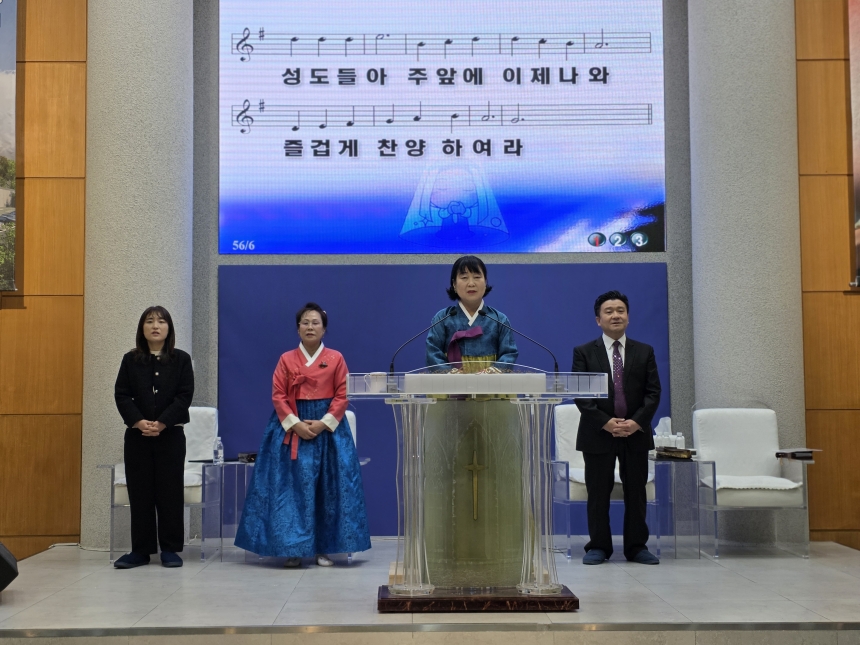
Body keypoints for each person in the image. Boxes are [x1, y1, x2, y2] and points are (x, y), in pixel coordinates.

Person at [235, 302, 371, 567]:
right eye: (305, 322)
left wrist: (322, 424)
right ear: (298, 329)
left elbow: (343, 395)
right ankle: (292, 548)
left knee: (327, 489)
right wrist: (295, 424)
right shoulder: (286, 359)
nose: (310, 327)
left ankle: (324, 548)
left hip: (328, 430)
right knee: (290, 489)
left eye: (315, 322)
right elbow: (278, 395)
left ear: (324, 329)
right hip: (291, 427)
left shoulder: (336, 358)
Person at [572, 290, 661, 565]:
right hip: (598, 432)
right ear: (598, 320)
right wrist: (606, 422)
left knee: (636, 491)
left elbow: (653, 393)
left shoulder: (644, 351)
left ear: (628, 317)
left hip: (635, 433)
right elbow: (581, 395)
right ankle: (598, 546)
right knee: (598, 492)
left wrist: (636, 422)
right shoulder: (584, 352)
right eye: (609, 311)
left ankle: (637, 547)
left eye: (620, 310)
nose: (615, 315)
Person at [114, 306, 194, 569]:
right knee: (140, 492)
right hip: (137, 437)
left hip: (171, 435)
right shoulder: (130, 359)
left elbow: (184, 396)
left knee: (170, 491)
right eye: (149, 321)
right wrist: (138, 422)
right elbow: (122, 395)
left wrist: (162, 423)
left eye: (161, 321)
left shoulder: (181, 359)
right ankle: (141, 551)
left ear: (169, 328)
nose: (155, 326)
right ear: (142, 328)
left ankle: (170, 549)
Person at [426, 255, 517, 370]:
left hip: (490, 381)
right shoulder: (442, 318)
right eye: (464, 277)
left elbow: (509, 353)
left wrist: (491, 374)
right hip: (451, 381)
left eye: (477, 277)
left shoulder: (499, 319)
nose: (471, 283)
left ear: (485, 282)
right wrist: (452, 375)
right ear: (454, 284)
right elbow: (433, 353)